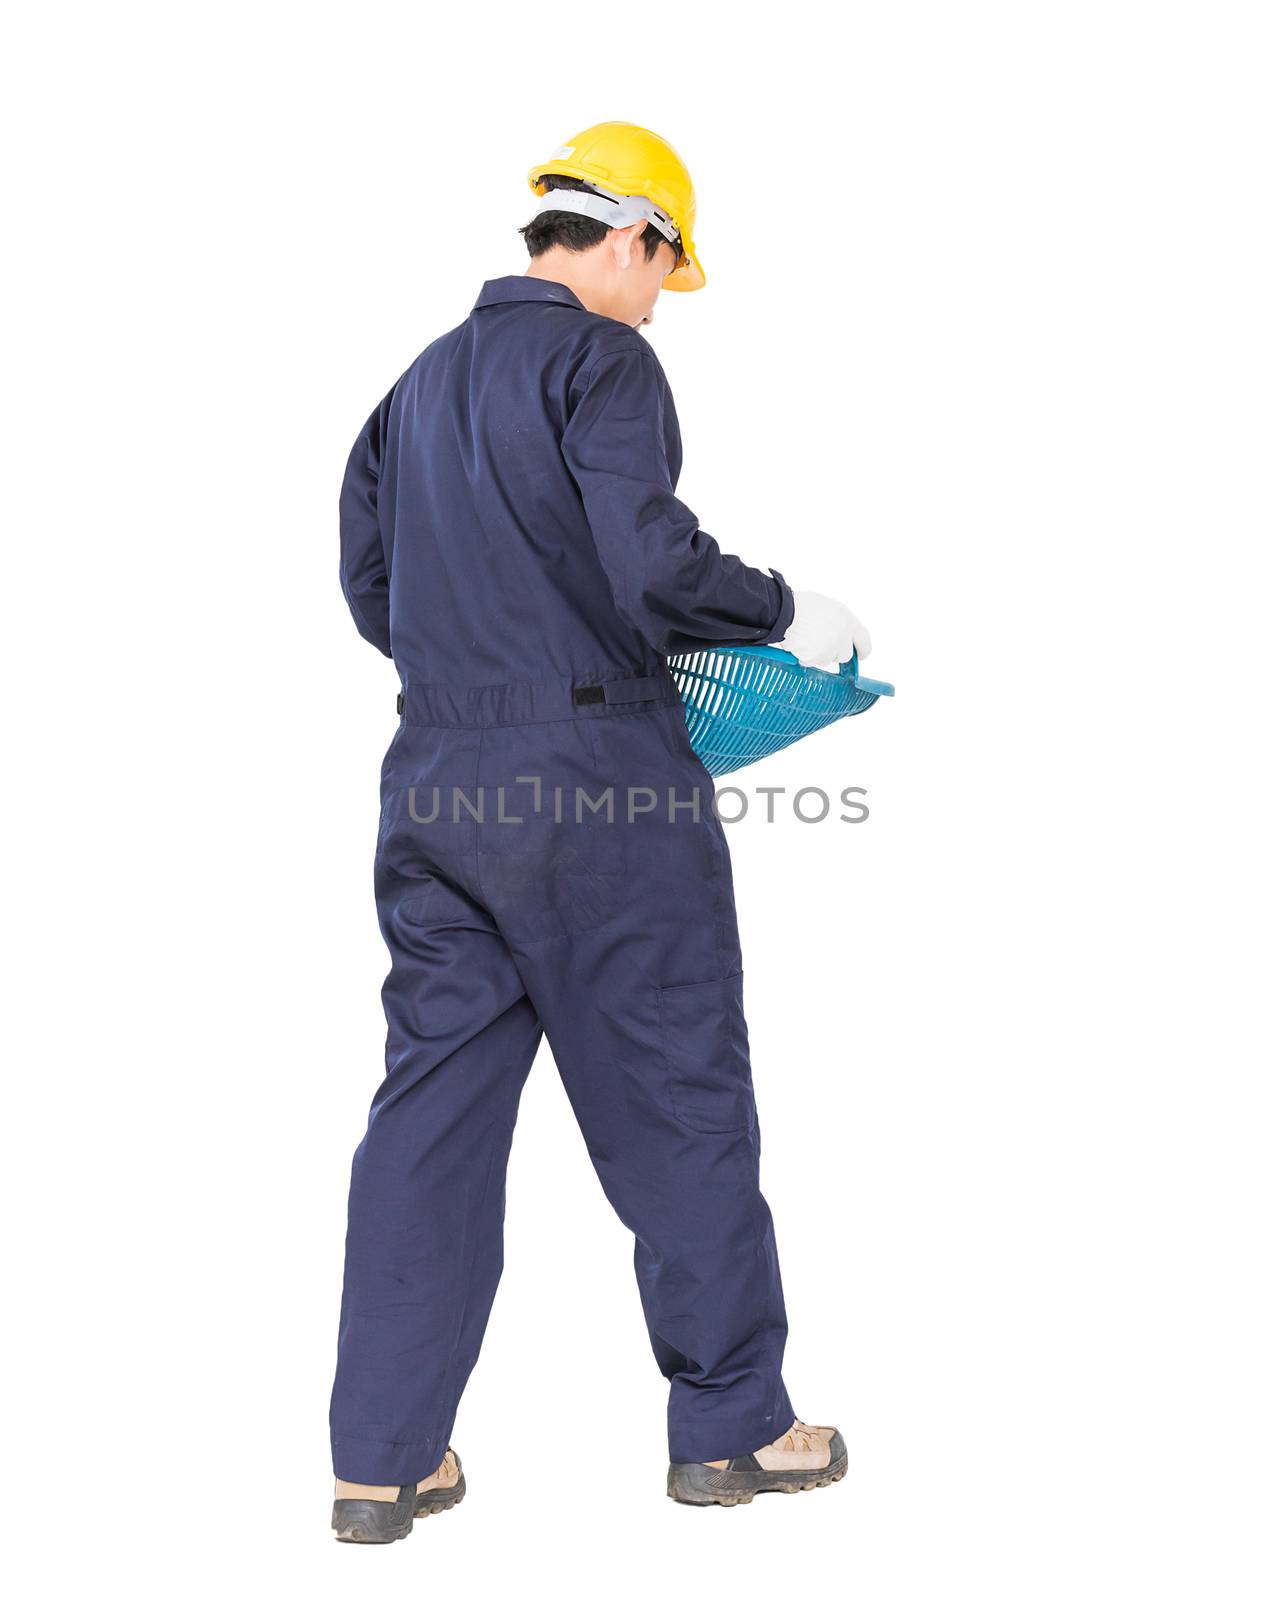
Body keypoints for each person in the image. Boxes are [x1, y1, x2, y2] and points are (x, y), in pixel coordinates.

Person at [331, 121, 870, 1542]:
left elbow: (373, 589)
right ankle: (735, 1431)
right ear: (628, 235)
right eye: (664, 266)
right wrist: (784, 611)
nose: (658, 296)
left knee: (426, 1120)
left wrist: (490, 666)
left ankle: (380, 1463)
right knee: (677, 1096)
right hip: (598, 789)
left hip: (436, 780)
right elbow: (654, 563)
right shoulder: (601, 359)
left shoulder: (411, 387)